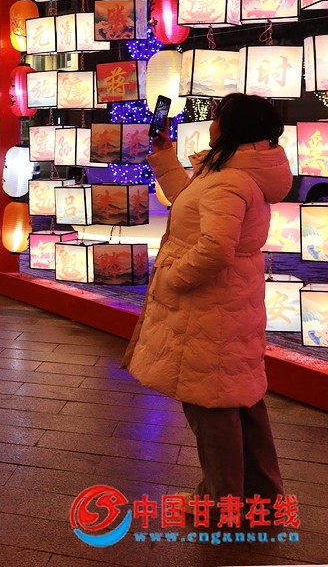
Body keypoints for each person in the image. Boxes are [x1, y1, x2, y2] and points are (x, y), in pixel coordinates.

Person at [124, 93, 291, 520]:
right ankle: (262, 497)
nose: (211, 123)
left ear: (233, 127)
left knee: (211, 404)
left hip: (210, 308)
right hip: (228, 304)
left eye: (217, 116)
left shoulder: (229, 180)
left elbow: (215, 248)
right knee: (241, 399)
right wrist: (165, 156)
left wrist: (173, 278)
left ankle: (221, 503)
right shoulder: (230, 170)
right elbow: (190, 203)